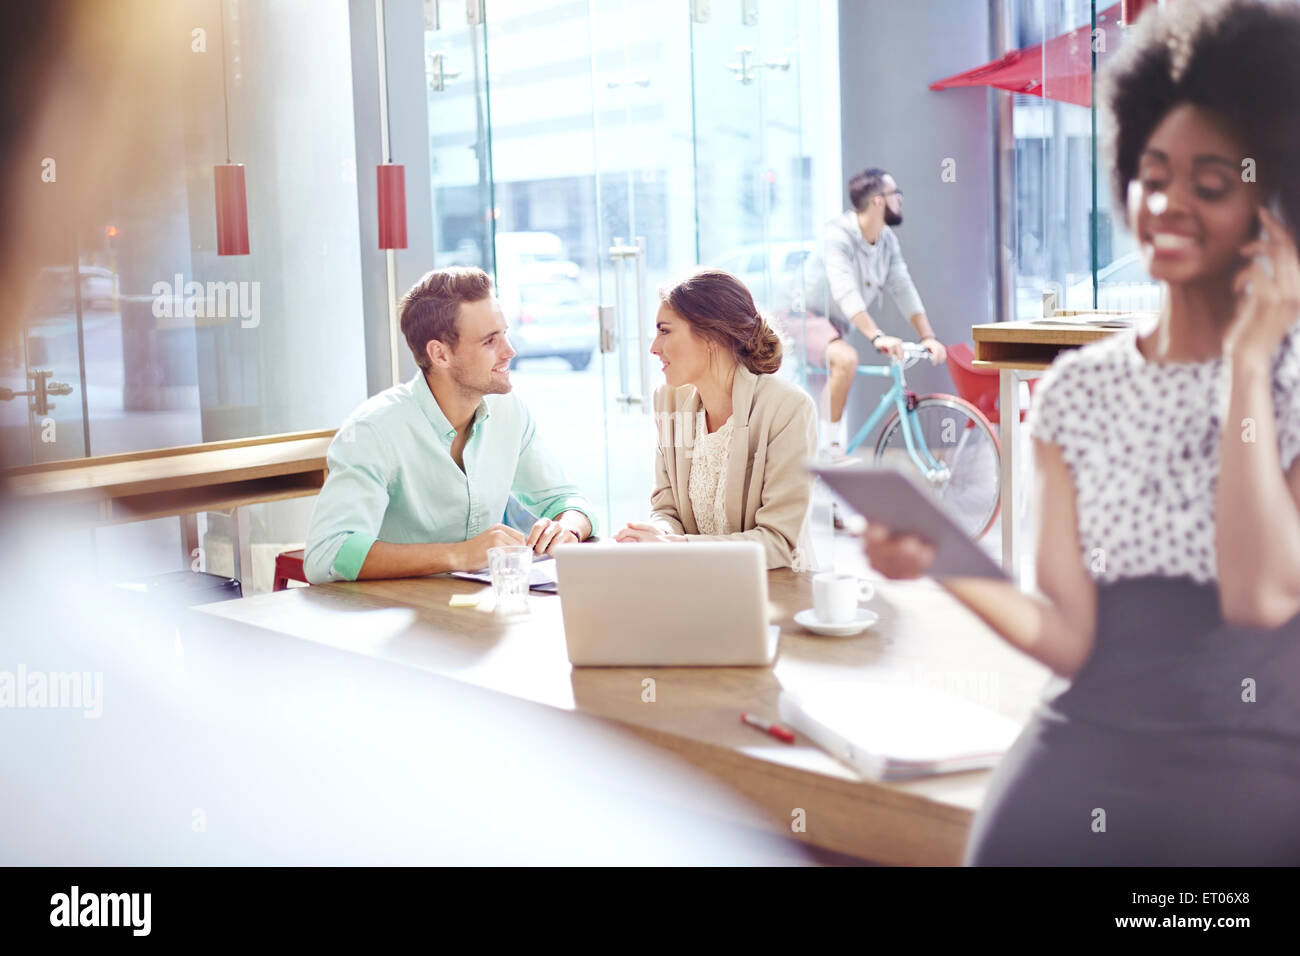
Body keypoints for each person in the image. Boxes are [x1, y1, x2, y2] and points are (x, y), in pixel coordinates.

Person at [861, 0, 1300, 865]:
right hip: (1080, 755)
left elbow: (1259, 598)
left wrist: (1249, 366)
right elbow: (1069, 636)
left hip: (1255, 775)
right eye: (1152, 171)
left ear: (1268, 205)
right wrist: (939, 555)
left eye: (1209, 183)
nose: (1167, 203)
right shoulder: (1077, 393)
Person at [304, 267, 595, 583]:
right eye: (489, 341)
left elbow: (566, 500)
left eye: (505, 334)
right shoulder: (372, 432)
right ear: (439, 354)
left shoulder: (509, 412)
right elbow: (328, 553)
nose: (510, 351)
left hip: (480, 613)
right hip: (394, 617)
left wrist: (567, 528)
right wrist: (461, 554)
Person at [613, 269, 818, 571]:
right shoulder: (669, 400)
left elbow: (778, 542)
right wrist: (660, 535)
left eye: (665, 331)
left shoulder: (788, 408)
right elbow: (666, 508)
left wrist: (678, 548)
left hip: (774, 589)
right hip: (699, 586)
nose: (653, 348)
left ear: (711, 336)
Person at [798, 168, 947, 438]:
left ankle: (825, 446)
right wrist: (877, 336)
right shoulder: (838, 236)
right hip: (801, 316)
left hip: (835, 323)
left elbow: (902, 286)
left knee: (833, 379)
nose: (900, 199)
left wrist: (928, 336)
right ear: (878, 200)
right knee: (846, 360)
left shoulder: (887, 239)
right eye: (895, 194)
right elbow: (845, 290)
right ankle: (830, 451)